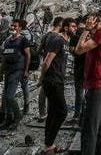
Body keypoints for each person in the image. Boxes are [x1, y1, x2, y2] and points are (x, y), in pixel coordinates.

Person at [74, 11, 101, 155]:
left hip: (98, 84)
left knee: (89, 126)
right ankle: (99, 151)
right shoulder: (99, 34)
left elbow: (79, 50)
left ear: (98, 20)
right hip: (98, 82)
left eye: (91, 19)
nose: (88, 21)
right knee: (99, 123)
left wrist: (86, 29)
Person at [38, 18, 73, 155]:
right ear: (65, 28)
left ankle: (49, 145)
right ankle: (48, 145)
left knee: (52, 112)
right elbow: (47, 61)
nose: (75, 28)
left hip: (56, 80)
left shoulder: (64, 42)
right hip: (53, 81)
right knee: (62, 112)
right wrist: (41, 78)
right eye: (73, 26)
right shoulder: (58, 40)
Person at [0, 19, 31, 130]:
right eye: (12, 26)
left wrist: (26, 71)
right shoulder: (7, 41)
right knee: (5, 96)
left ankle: (16, 118)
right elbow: (4, 57)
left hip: (18, 70)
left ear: (20, 28)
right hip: (8, 70)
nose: (12, 27)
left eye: (15, 26)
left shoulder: (23, 40)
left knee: (9, 96)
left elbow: (28, 55)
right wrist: (1, 72)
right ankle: (7, 119)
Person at [36, 17, 65, 121]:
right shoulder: (58, 38)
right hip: (54, 67)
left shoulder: (46, 35)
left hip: (45, 64)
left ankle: (42, 113)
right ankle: (50, 114)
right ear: (60, 25)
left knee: (43, 90)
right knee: (51, 92)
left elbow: (39, 50)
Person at [70, 17, 87, 122]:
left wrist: (77, 54)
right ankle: (86, 114)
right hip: (89, 66)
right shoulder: (90, 35)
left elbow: (72, 50)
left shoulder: (75, 36)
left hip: (78, 65)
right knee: (89, 91)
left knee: (79, 91)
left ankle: (77, 114)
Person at [19, 19, 34, 114]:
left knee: (24, 85)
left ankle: (26, 106)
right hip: (24, 64)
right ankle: (26, 106)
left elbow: (27, 53)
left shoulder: (22, 36)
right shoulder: (29, 33)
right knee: (25, 86)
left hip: (21, 63)